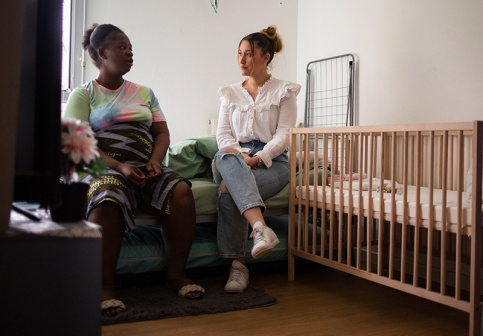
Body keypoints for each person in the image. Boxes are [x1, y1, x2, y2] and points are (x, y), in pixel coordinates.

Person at [64, 23, 204, 316]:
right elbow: (76, 144)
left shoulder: (145, 92)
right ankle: (104, 287)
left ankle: (176, 275)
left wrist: (154, 161)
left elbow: (162, 133)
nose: (130, 54)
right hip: (103, 165)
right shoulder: (83, 95)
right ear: (102, 53)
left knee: (180, 192)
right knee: (107, 198)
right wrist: (118, 166)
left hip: (145, 165)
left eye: (131, 49)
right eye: (122, 48)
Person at [213, 25, 301, 292]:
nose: (242, 59)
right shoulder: (229, 93)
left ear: (266, 56)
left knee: (229, 190)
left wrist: (260, 157)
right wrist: (243, 156)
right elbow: (223, 136)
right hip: (232, 156)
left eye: (248, 54)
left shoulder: (284, 92)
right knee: (226, 157)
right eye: (239, 53)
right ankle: (261, 228)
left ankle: (238, 269)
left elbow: (284, 135)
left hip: (274, 161)